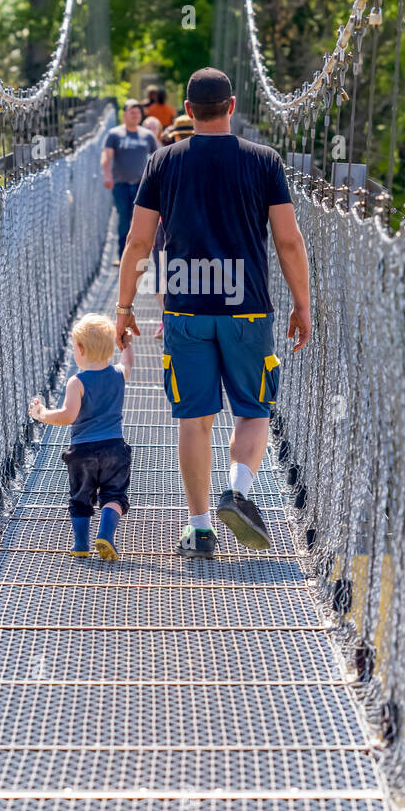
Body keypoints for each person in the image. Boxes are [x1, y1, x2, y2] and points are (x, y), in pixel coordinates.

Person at [115, 67, 312, 559]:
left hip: (184, 310)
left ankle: (200, 529)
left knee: (194, 420)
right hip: (247, 311)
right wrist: (303, 304)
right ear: (231, 106)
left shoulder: (162, 162)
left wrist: (123, 307)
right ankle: (238, 491)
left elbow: (139, 241)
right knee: (252, 410)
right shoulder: (265, 161)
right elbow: (287, 241)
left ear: (186, 109)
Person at [29, 313, 134, 561]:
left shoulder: (76, 382)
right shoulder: (119, 374)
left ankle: (80, 544)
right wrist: (127, 343)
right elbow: (128, 363)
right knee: (114, 496)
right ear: (110, 348)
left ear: (80, 349)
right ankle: (106, 535)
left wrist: (42, 413)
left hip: (83, 452)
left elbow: (67, 415)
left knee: (80, 496)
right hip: (114, 450)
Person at [101, 101, 158, 261]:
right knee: (124, 220)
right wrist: (107, 175)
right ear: (124, 114)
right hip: (121, 186)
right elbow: (106, 156)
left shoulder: (147, 136)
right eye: (132, 112)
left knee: (141, 222)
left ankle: (140, 256)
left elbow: (157, 156)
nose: (135, 115)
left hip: (142, 186)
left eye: (138, 113)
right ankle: (123, 256)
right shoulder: (115, 134)